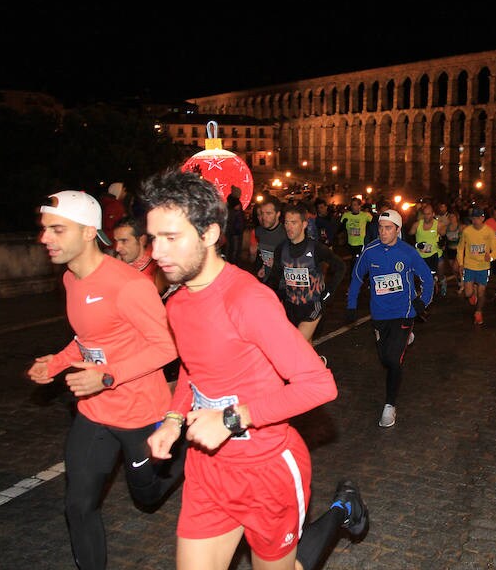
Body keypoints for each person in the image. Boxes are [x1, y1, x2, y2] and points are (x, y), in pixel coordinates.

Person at [142, 170, 367, 570]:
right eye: (153, 238)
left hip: (266, 470)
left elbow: (319, 385)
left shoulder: (248, 300)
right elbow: (194, 371)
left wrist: (231, 419)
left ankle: (338, 512)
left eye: (171, 238)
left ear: (210, 233)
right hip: (207, 469)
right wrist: (174, 420)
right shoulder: (176, 304)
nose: (157, 251)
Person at [28, 190, 184, 570]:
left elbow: (167, 348)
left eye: (57, 230)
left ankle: (184, 457)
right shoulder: (70, 280)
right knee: (78, 505)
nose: (44, 238)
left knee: (146, 497)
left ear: (87, 233)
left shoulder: (128, 285)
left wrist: (109, 376)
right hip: (94, 412)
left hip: (139, 414)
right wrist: (59, 362)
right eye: (45, 229)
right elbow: (89, 339)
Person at [345, 209, 433, 428]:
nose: (383, 232)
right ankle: (405, 338)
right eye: (380, 228)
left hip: (404, 312)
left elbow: (427, 279)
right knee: (385, 359)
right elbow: (356, 278)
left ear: (397, 230)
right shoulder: (370, 251)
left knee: (393, 360)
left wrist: (422, 302)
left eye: (388, 228)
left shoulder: (408, 253)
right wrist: (351, 305)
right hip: (379, 314)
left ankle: (390, 406)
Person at [268, 204, 346, 343]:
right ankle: (316, 364)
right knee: (305, 348)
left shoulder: (316, 248)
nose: (289, 227)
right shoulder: (281, 249)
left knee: (296, 344)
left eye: (294, 223)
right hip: (290, 306)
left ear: (304, 224)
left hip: (312, 305)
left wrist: (328, 293)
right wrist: (267, 296)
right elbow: (275, 277)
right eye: (286, 222)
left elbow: (340, 266)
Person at [456, 207, 496, 326]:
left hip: (483, 267)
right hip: (469, 265)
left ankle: (478, 312)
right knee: (467, 293)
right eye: (473, 218)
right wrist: (460, 263)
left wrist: (490, 257)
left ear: (483, 218)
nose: (475, 221)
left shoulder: (489, 231)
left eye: (478, 218)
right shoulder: (467, 231)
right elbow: (460, 248)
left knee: (482, 292)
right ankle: (472, 294)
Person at [409, 202, 447, 297]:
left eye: (429, 214)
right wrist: (417, 245)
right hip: (421, 256)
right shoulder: (417, 225)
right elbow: (409, 237)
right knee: (422, 277)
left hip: (436, 255)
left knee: (440, 272)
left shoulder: (439, 225)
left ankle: (442, 281)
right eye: (425, 214)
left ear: (433, 214)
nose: (426, 216)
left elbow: (444, 237)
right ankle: (427, 294)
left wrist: (442, 243)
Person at [249, 196, 286, 285]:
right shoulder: (258, 232)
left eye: (269, 213)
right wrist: (253, 255)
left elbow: (299, 262)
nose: (264, 217)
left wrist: (278, 263)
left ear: (278, 214)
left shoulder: (287, 234)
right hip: (266, 283)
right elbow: (255, 260)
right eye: (262, 213)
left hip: (283, 286)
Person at [340, 197, 373, 262]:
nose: (353, 207)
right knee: (353, 260)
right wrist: (344, 223)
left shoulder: (365, 215)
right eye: (352, 205)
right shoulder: (346, 215)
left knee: (359, 260)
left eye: (355, 205)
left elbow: (374, 222)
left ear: (359, 206)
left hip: (361, 243)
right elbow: (341, 228)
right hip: (350, 242)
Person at [223, 186, 245, 266]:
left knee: (230, 249)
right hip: (236, 230)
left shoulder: (228, 203)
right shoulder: (236, 204)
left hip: (230, 229)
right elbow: (238, 218)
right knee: (235, 249)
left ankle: (229, 263)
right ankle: (234, 264)